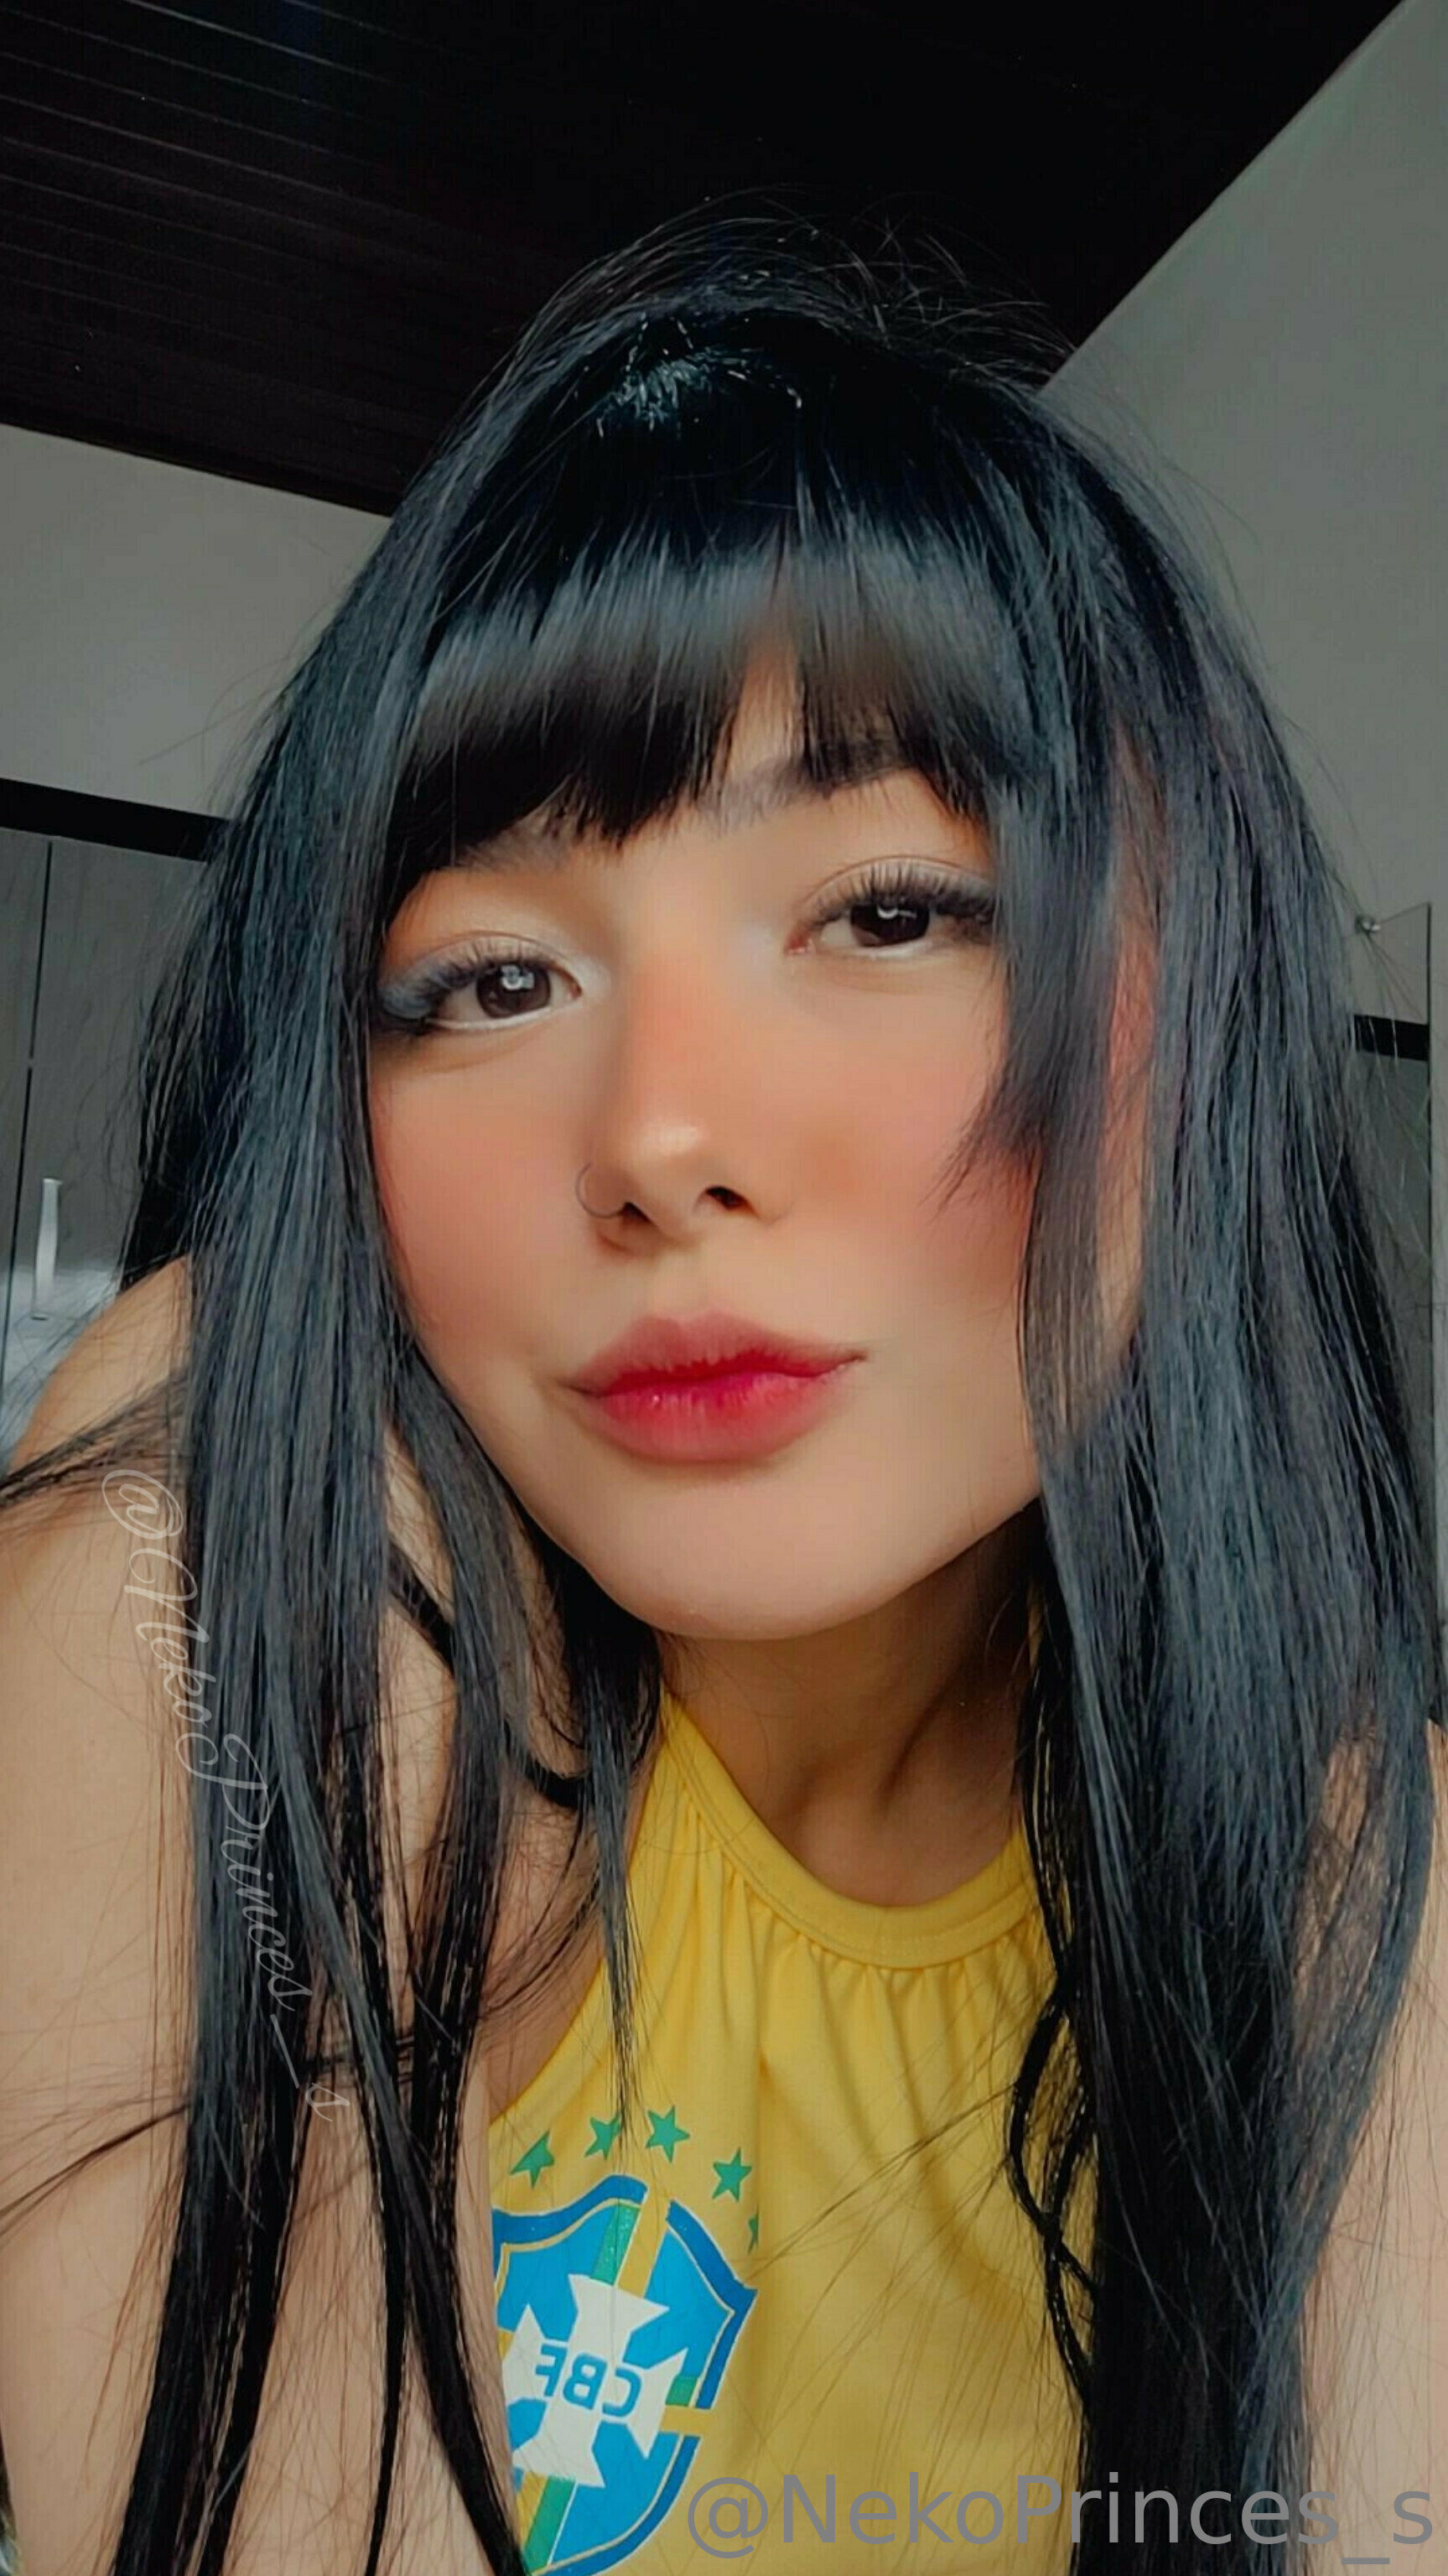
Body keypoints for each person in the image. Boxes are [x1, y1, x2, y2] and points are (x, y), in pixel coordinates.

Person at [0, 210, 1442, 2576]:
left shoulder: (1377, 1918)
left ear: (1206, 1022)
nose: (661, 1136)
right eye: (488, 982)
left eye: (890, 911)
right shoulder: (216, 1539)